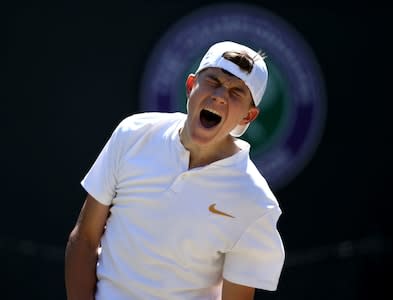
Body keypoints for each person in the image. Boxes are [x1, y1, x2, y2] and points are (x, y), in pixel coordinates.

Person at [65, 41, 285, 300]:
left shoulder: (256, 202)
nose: (220, 96)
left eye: (236, 92)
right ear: (191, 86)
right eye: (213, 81)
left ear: (248, 117)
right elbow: (85, 239)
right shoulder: (132, 134)